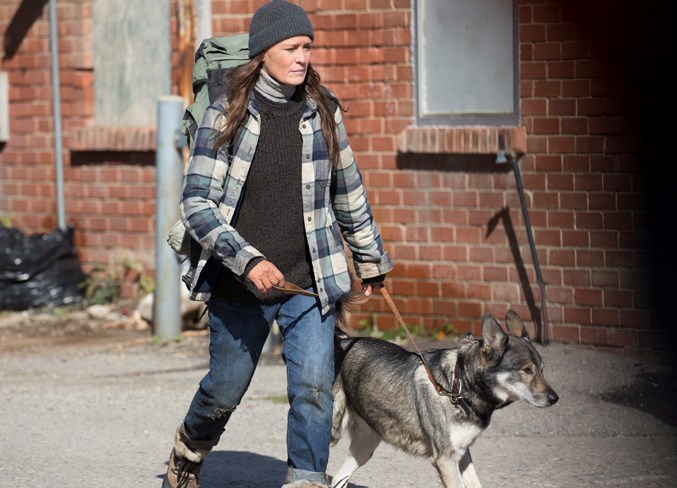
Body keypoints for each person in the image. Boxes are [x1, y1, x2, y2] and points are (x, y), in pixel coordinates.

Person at [162, 1, 393, 487]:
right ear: (264, 51)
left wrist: (370, 259)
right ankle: (190, 448)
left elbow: (347, 191)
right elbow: (197, 204)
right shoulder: (228, 113)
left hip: (310, 280)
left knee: (313, 389)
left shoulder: (322, 111)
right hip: (239, 282)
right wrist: (247, 261)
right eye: (291, 47)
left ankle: (306, 480)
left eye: (307, 47)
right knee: (225, 388)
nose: (302, 57)